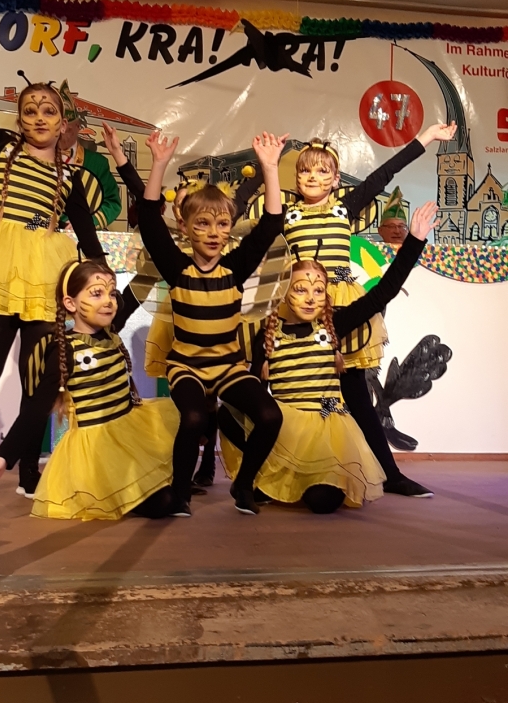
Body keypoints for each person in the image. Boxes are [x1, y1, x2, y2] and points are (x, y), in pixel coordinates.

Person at [0, 79, 105, 499]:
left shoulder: (70, 176)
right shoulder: (2, 148)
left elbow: (85, 233)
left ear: (63, 123)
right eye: (30, 111)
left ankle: (30, 473)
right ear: (19, 120)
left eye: (49, 111)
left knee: (37, 380)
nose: (39, 118)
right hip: (0, 274)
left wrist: (103, 281)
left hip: (44, 278)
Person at [220, 201, 439, 513]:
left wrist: (414, 240)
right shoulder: (268, 334)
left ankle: (305, 477)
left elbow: (383, 291)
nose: (310, 299)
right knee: (228, 413)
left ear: (327, 296)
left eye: (318, 291)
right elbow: (255, 394)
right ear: (284, 292)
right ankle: (259, 475)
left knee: (324, 502)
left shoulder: (333, 325)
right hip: (286, 430)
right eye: (300, 290)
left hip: (324, 430)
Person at [284, 123, 456, 497]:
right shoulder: (286, 215)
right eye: (305, 170)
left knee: (356, 393)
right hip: (301, 306)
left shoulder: (343, 208)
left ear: (335, 180)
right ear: (296, 178)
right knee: (290, 389)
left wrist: (426, 138)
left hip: (340, 306)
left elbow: (383, 175)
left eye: (323, 171)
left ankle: (390, 474)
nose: (313, 177)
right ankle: (273, 472)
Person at [136, 130, 287, 517]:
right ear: (186, 228)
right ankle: (180, 494)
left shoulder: (235, 269)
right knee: (194, 417)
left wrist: (270, 168)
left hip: (228, 367)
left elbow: (271, 222)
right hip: (186, 366)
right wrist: (159, 164)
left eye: (222, 224)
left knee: (270, 416)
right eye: (202, 224)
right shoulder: (177, 267)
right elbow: (149, 218)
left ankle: (243, 483)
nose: (214, 233)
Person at [0, 259, 180, 519]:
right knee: (163, 503)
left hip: (130, 433)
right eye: (96, 293)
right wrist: (3, 457)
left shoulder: (111, 330)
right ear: (71, 303)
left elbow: (135, 292)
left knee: (172, 488)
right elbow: (35, 410)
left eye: (111, 293)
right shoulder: (66, 350)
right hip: (97, 450)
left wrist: (156, 261)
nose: (108, 301)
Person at [57, 80, 122, 231]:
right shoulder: (38, 160)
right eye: (58, 128)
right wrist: (37, 226)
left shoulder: (97, 163)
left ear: (78, 127)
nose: (62, 133)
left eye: (68, 129)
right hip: (47, 236)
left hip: (86, 236)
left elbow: (113, 203)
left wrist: (88, 223)